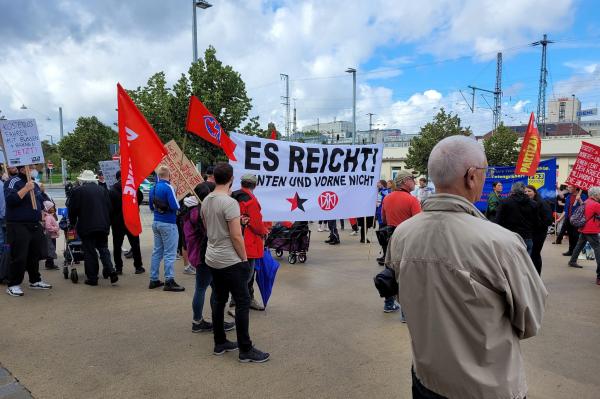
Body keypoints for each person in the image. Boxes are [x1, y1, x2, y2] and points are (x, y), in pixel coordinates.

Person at [386, 135, 547, 399]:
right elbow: (530, 321)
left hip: (426, 378)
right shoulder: (501, 243)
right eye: (484, 172)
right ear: (471, 176)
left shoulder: (402, 234)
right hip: (487, 387)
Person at [201, 162, 269, 363]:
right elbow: (236, 236)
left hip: (212, 256)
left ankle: (220, 342)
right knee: (242, 301)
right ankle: (245, 349)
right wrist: (243, 258)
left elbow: (206, 227)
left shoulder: (206, 200)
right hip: (230, 259)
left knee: (219, 298)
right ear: (231, 179)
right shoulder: (229, 203)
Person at [183, 182, 235, 333]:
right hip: (205, 256)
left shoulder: (193, 210)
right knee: (204, 288)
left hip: (201, 255)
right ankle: (198, 321)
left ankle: (213, 320)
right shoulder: (202, 214)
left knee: (214, 288)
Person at [5, 165, 53, 297]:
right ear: (22, 169)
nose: (34, 169)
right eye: (31, 167)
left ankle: (35, 280)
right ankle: (13, 284)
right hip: (18, 225)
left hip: (34, 224)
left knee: (34, 255)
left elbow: (39, 200)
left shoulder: (34, 183)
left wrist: (43, 209)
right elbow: (11, 200)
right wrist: (26, 189)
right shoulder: (13, 181)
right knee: (19, 256)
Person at [67, 170, 118, 286]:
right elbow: (110, 209)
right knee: (103, 249)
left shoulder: (78, 191)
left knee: (90, 252)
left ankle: (92, 278)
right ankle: (111, 270)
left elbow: (72, 210)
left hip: (87, 226)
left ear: (83, 180)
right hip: (103, 226)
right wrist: (107, 223)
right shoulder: (103, 190)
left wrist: (72, 223)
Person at [380, 170, 421, 314]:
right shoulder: (412, 200)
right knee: (406, 273)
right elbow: (419, 223)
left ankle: (389, 304)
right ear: (404, 181)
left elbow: (383, 220)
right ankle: (405, 313)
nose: (414, 181)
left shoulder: (387, 198)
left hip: (390, 237)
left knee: (390, 270)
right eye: (412, 179)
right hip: (408, 238)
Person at [231, 174, 269, 311]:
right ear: (255, 185)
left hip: (234, 239)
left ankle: (235, 299)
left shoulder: (233, 196)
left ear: (242, 183)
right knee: (248, 274)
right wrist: (264, 231)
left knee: (238, 271)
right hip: (249, 241)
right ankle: (244, 300)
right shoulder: (251, 201)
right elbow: (257, 224)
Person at [148, 166, 184, 292]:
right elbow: (175, 206)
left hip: (156, 222)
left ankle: (153, 279)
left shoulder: (153, 187)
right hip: (168, 223)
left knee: (157, 252)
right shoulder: (168, 187)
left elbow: (151, 207)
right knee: (170, 253)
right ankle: (169, 280)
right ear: (169, 176)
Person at [108, 171, 145, 275]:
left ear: (117, 178)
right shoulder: (133, 187)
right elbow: (140, 198)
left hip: (117, 222)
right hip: (131, 219)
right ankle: (138, 266)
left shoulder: (112, 190)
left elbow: (109, 207)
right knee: (135, 244)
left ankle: (118, 268)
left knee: (117, 245)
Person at [567, 186, 600, 285]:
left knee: (579, 245)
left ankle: (572, 260)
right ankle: (599, 276)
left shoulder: (587, 201)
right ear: (596, 195)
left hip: (583, 228)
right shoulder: (596, 204)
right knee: (598, 251)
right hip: (591, 229)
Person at [496, 182, 539, 255]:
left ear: (512, 190)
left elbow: (498, 221)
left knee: (510, 264)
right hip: (527, 237)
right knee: (526, 264)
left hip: (510, 237)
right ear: (524, 190)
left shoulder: (504, 202)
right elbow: (536, 222)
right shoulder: (533, 203)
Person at [525, 185, 553, 275]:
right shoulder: (528, 202)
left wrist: (536, 224)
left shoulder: (542, 203)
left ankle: (537, 275)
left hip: (539, 233)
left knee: (535, 254)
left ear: (535, 192)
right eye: (525, 191)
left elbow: (548, 220)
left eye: (529, 191)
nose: (527, 193)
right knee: (531, 255)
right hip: (530, 233)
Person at [559, 185, 587, 256]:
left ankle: (576, 252)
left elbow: (584, 207)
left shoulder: (583, 196)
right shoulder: (569, 196)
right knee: (570, 235)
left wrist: (579, 199)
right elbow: (566, 209)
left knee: (576, 236)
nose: (568, 189)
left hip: (577, 219)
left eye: (570, 187)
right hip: (568, 219)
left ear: (575, 188)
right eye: (568, 187)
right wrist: (560, 218)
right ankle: (570, 250)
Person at [42, 201, 60, 270]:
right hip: (50, 235)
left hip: (51, 235)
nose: (53, 208)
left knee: (51, 249)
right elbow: (48, 227)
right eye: (52, 207)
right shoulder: (49, 217)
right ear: (48, 208)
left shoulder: (48, 216)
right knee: (51, 249)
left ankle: (50, 263)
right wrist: (56, 228)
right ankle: (50, 264)